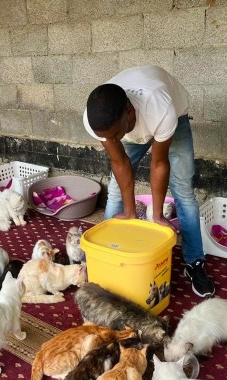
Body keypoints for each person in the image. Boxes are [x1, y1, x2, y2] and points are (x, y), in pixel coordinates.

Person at [83, 65, 215, 297]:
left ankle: (194, 263)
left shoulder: (160, 108)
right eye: (106, 137)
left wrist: (157, 216)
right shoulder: (97, 121)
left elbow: (159, 163)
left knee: (183, 190)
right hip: (132, 125)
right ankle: (103, 255)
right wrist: (130, 212)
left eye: (114, 135)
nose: (111, 141)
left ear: (129, 112)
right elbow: (120, 163)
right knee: (115, 189)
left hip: (172, 117)